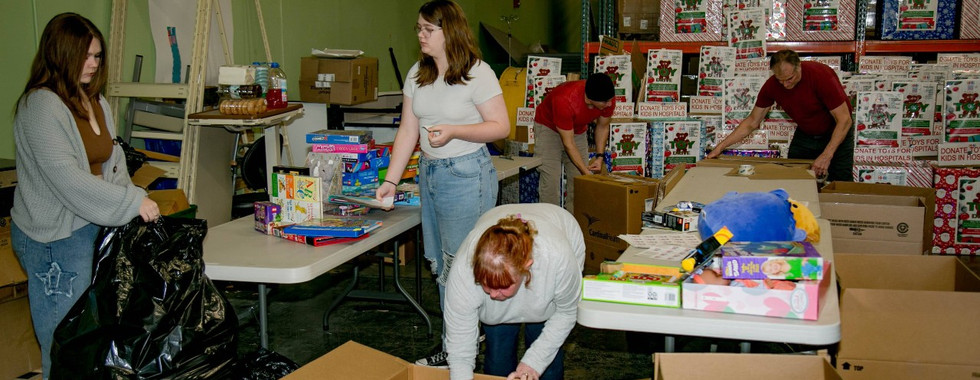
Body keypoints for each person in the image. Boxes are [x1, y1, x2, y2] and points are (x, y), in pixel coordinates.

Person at [10, 12, 160, 378]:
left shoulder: (94, 101)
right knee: (65, 344)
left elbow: (114, 160)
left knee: (94, 337)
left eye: (97, 56)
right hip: (53, 240)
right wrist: (131, 202)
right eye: (85, 56)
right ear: (60, 54)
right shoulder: (40, 107)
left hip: (90, 228)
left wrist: (129, 195)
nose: (93, 64)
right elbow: (68, 181)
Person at [375, 0, 509, 367]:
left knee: (464, 266)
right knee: (440, 265)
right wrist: (391, 179)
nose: (420, 35)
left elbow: (501, 127)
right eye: (418, 28)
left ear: (448, 31)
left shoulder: (477, 73)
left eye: (427, 29)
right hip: (430, 174)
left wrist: (454, 131)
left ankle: (465, 345)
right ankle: (457, 343)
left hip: (466, 173)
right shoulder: (418, 75)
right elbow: (407, 130)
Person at [444, 203, 585, 380]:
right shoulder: (463, 268)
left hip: (558, 232)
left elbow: (567, 312)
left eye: (502, 287)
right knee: (498, 360)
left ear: (527, 267)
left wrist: (533, 363)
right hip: (499, 228)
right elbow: (460, 350)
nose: (493, 295)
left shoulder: (558, 258)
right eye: (485, 284)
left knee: (548, 364)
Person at [707, 49, 854, 182]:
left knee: (840, 179)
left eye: (789, 78)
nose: (785, 85)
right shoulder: (772, 86)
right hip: (807, 133)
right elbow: (752, 122)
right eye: (780, 80)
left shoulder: (821, 76)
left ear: (799, 67)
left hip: (836, 131)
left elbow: (844, 120)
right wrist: (719, 148)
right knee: (794, 176)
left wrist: (827, 155)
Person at [533, 74, 616, 213]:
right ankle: (551, 224)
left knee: (578, 182)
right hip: (549, 127)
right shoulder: (565, 100)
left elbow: (602, 126)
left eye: (610, 100)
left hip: (577, 129)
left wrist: (600, 156)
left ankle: (574, 223)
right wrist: (586, 172)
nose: (610, 104)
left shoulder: (608, 98)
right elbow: (569, 144)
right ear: (589, 99)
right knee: (551, 181)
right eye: (605, 102)